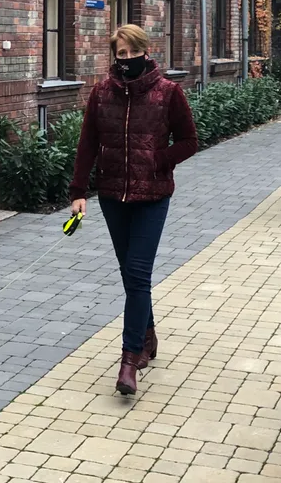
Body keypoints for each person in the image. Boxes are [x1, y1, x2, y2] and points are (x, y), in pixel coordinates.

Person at [69, 24, 198, 395]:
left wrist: (159, 160)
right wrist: (78, 191)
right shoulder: (101, 93)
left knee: (139, 274)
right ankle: (148, 336)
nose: (126, 59)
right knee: (131, 275)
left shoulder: (168, 92)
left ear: (145, 51)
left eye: (132, 52)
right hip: (112, 196)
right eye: (120, 54)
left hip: (152, 196)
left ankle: (129, 360)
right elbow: (88, 143)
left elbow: (189, 141)